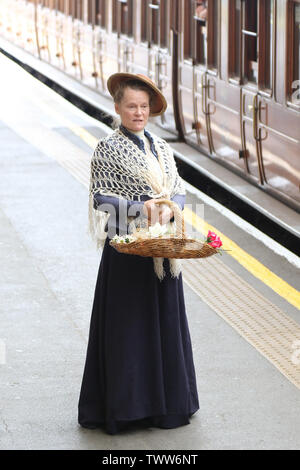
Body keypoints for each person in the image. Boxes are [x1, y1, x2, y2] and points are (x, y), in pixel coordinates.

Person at [78, 72, 199, 435]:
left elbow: (177, 189)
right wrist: (139, 208)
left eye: (143, 106)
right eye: (131, 106)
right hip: (127, 253)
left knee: (164, 327)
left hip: (162, 255)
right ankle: (128, 409)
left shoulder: (161, 148)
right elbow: (100, 196)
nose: (138, 112)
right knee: (128, 331)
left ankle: (167, 408)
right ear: (118, 108)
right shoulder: (107, 149)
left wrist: (169, 207)